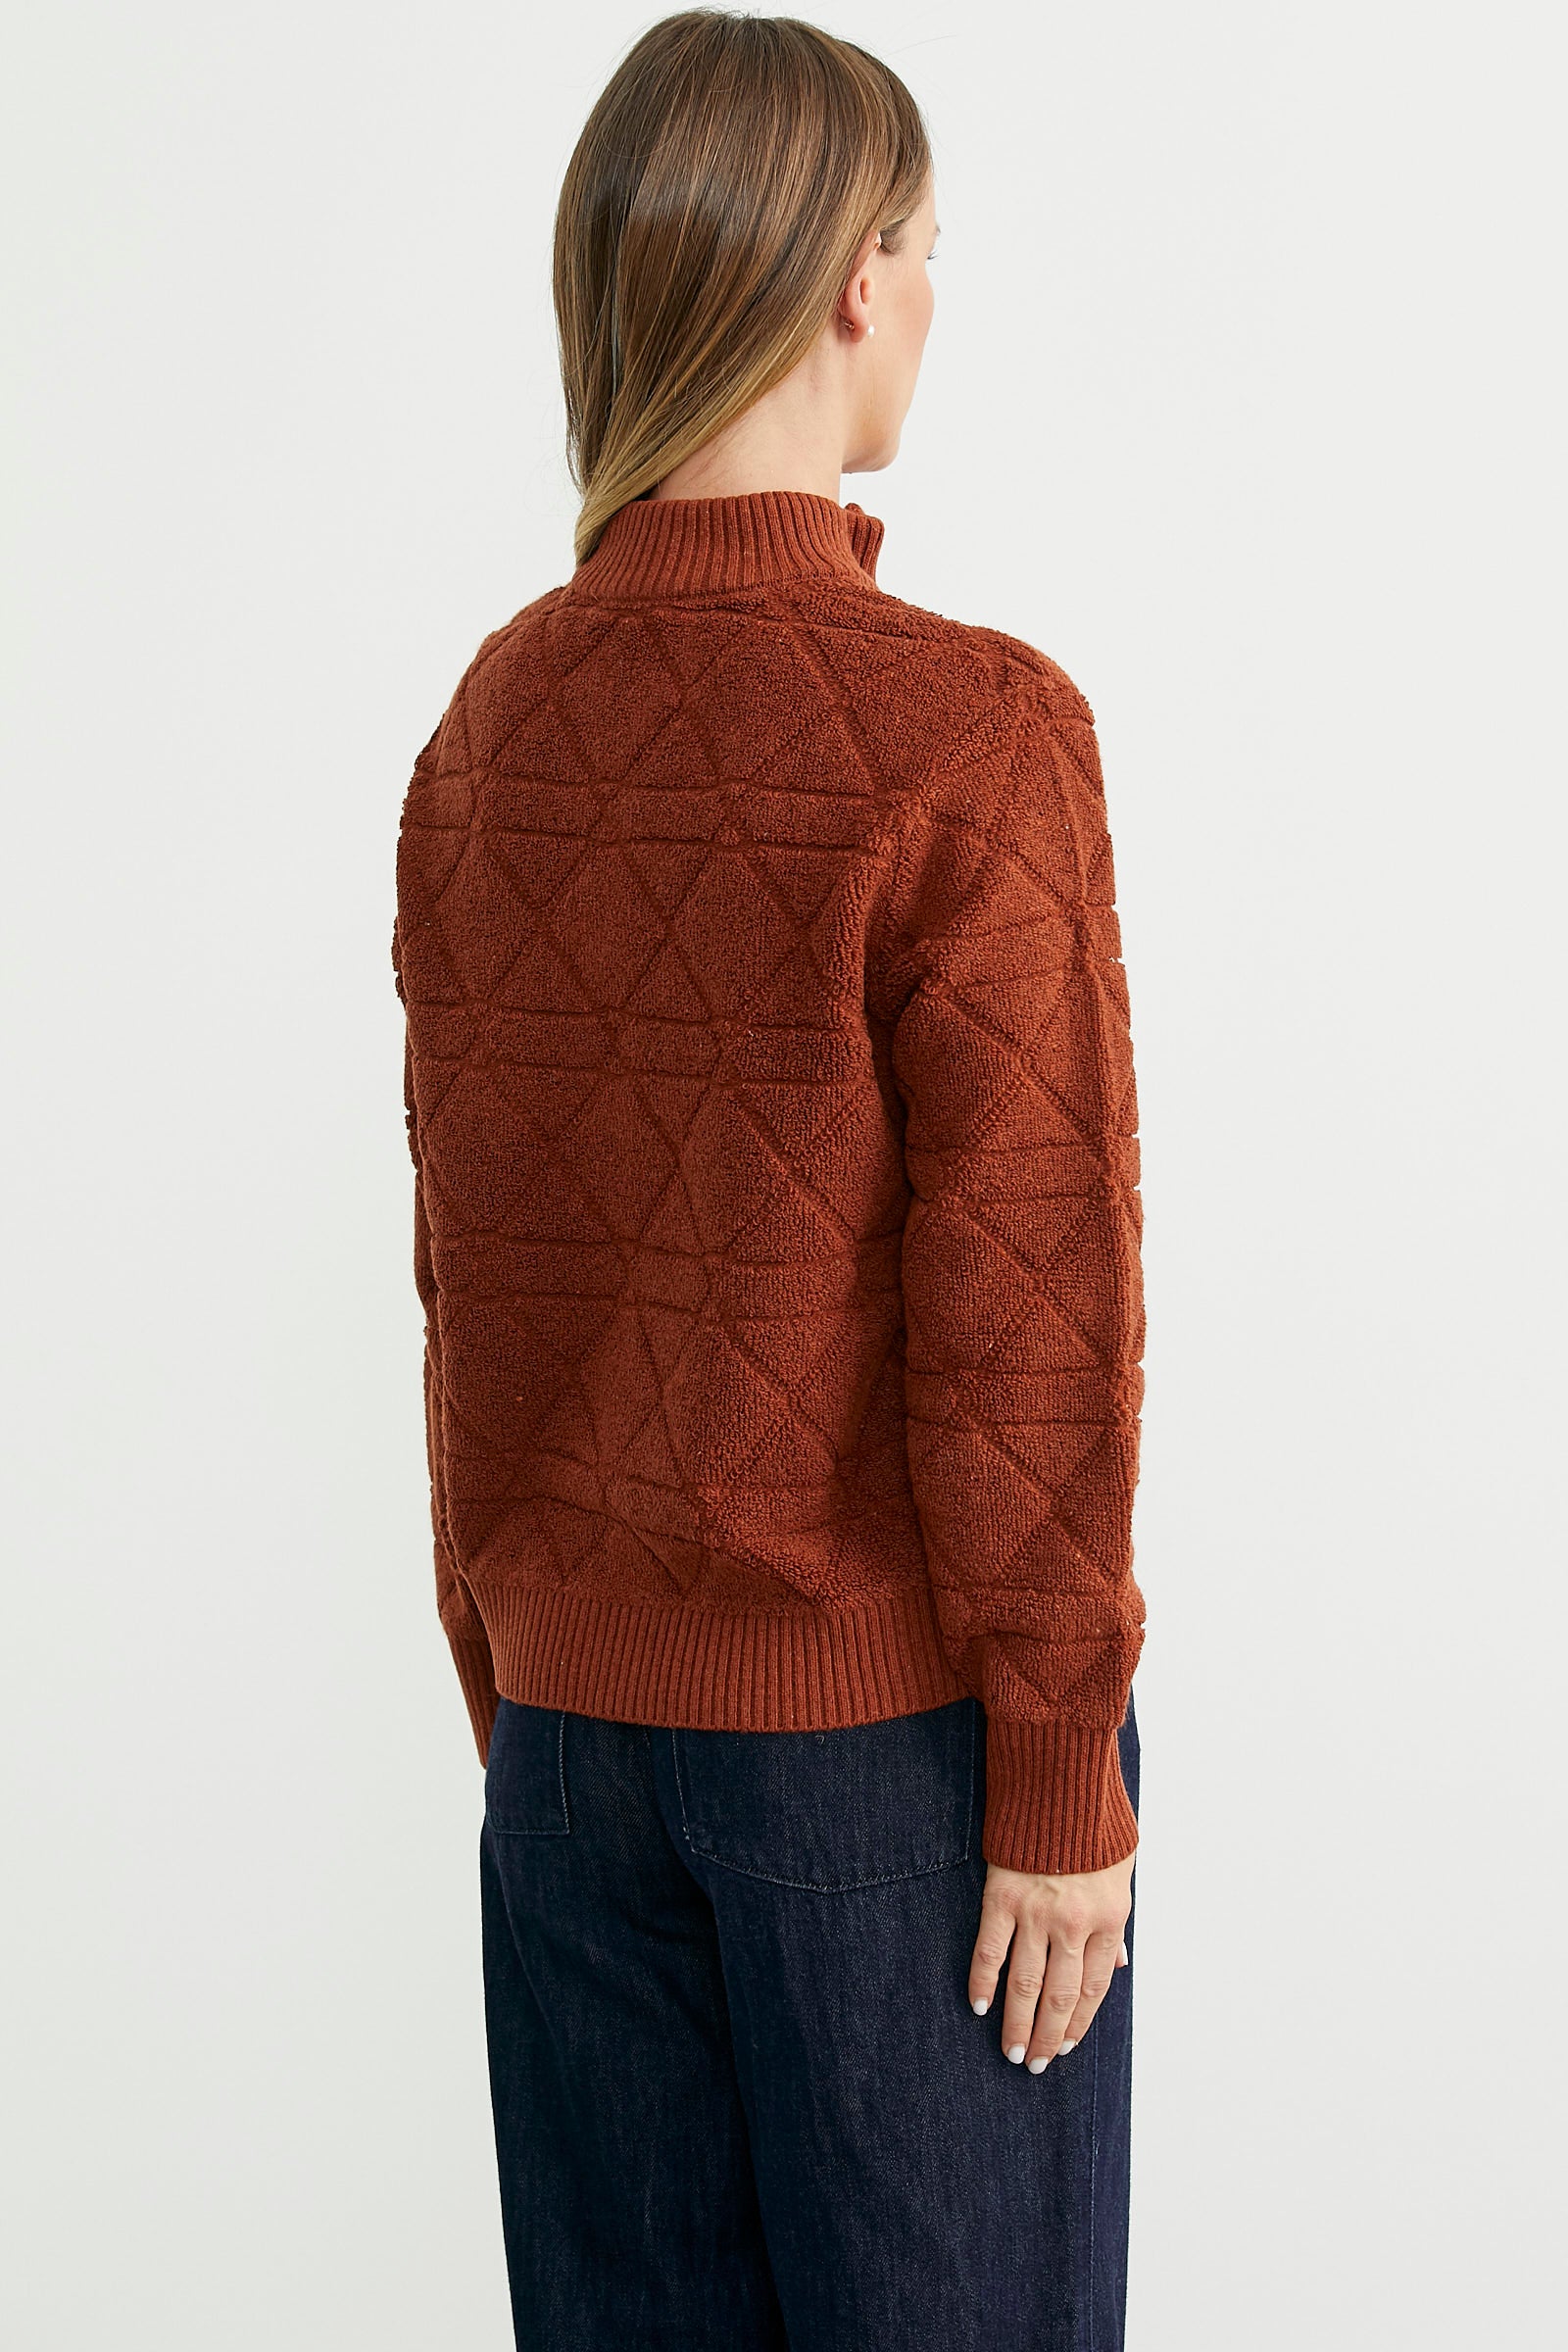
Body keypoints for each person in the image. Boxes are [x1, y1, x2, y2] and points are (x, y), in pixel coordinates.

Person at [391, 11, 1149, 2346]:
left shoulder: (491, 719)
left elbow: (469, 1268)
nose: (929, 295)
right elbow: (1027, 1301)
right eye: (922, 246)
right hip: (879, 1769)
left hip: (570, 1758)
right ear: (846, 281)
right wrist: (1056, 1757)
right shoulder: (971, 730)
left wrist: (518, 1689)